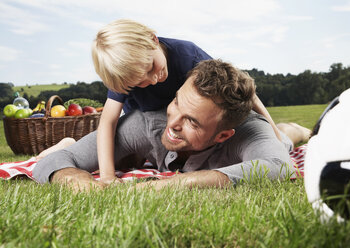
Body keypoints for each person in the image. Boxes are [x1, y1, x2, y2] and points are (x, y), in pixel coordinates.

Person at [33, 59, 310, 192]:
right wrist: (75, 179)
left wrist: (175, 185)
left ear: (224, 134)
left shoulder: (250, 132)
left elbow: (278, 166)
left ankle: (299, 128)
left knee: (286, 138)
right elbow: (55, 161)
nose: (173, 124)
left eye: (191, 121)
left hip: (267, 133)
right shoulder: (148, 123)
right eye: (177, 103)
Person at [91, 19, 283, 185]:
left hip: (190, 129)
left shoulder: (187, 54)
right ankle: (66, 145)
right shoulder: (124, 73)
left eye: (152, 67)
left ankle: (286, 130)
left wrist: (275, 134)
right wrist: (107, 176)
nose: (153, 79)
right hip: (152, 131)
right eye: (140, 82)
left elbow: (239, 88)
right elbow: (108, 121)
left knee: (275, 140)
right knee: (123, 163)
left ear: (153, 40)